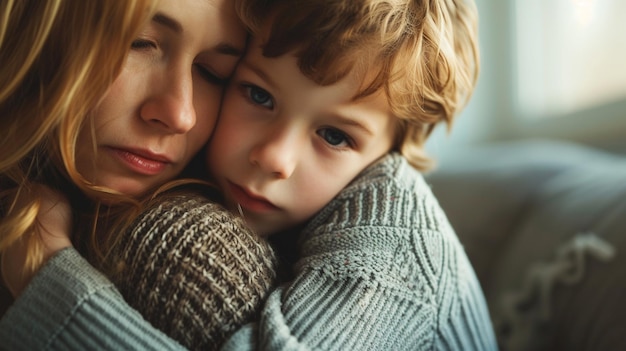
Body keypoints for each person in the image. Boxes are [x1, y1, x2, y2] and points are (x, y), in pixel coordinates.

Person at [1, 0, 499, 349]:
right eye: (257, 95)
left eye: (334, 136)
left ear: (392, 150)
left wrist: (46, 273)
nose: (274, 158)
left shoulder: (388, 260)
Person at [0, 0, 277, 349]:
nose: (181, 114)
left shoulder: (197, 254)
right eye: (140, 42)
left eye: (212, 73)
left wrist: (43, 270)